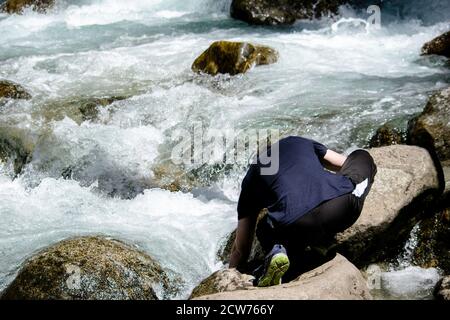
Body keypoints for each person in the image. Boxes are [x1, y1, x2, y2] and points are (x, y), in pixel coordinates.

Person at [229, 136, 377, 287]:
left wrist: (230, 276)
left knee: (263, 228)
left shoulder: (251, 177)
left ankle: (280, 250)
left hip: (295, 226)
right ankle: (321, 240)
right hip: (337, 208)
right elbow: (340, 163)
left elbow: (241, 248)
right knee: (362, 156)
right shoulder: (296, 141)